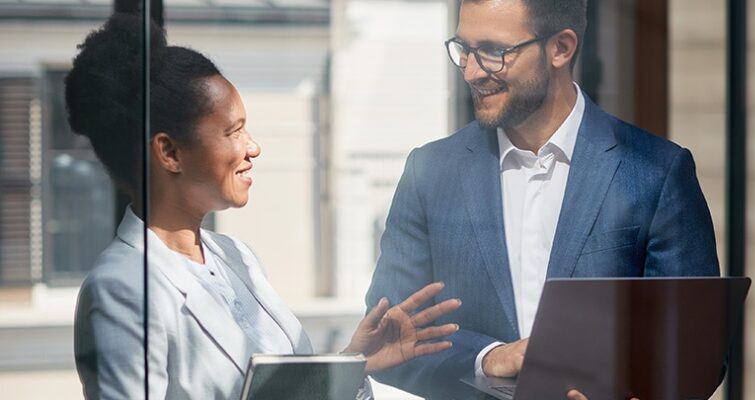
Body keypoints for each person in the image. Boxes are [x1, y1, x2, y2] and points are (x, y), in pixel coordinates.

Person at [67, 14, 461, 399]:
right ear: (169, 151)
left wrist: (353, 363)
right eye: (233, 131)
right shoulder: (121, 288)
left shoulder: (237, 257)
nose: (252, 147)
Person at [364, 0, 720, 398]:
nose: (471, 70)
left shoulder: (656, 171)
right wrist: (488, 357)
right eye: (463, 49)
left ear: (561, 48)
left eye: (494, 52)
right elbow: (387, 340)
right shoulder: (428, 173)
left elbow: (695, 347)